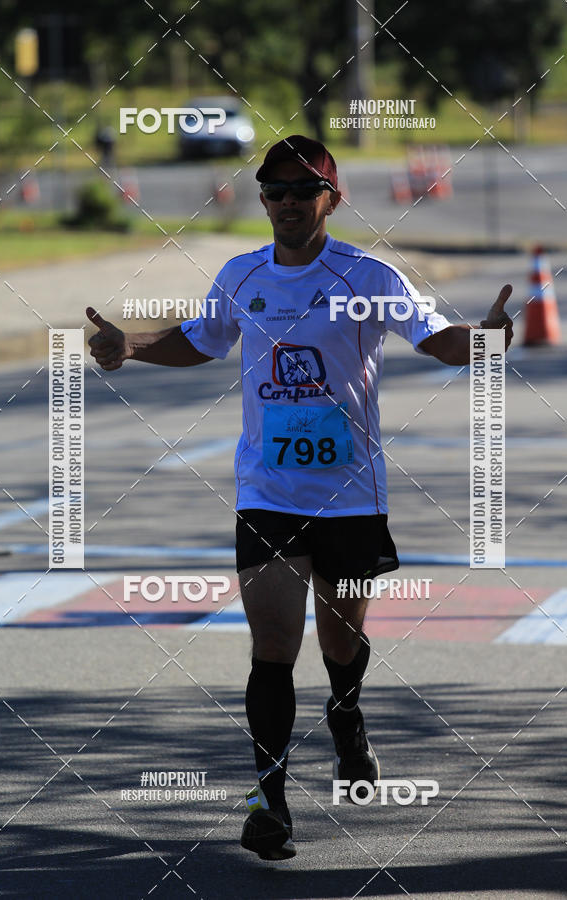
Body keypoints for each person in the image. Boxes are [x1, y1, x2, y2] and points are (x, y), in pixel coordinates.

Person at [86, 134, 513, 862]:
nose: (286, 202)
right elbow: (202, 338)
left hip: (350, 497)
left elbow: (433, 336)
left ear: (331, 198)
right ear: (262, 200)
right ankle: (269, 801)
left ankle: (347, 719)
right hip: (268, 491)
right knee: (273, 647)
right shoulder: (241, 274)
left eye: (302, 189)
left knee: (339, 640)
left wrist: (486, 341)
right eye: (273, 190)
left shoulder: (366, 275)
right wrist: (132, 346)